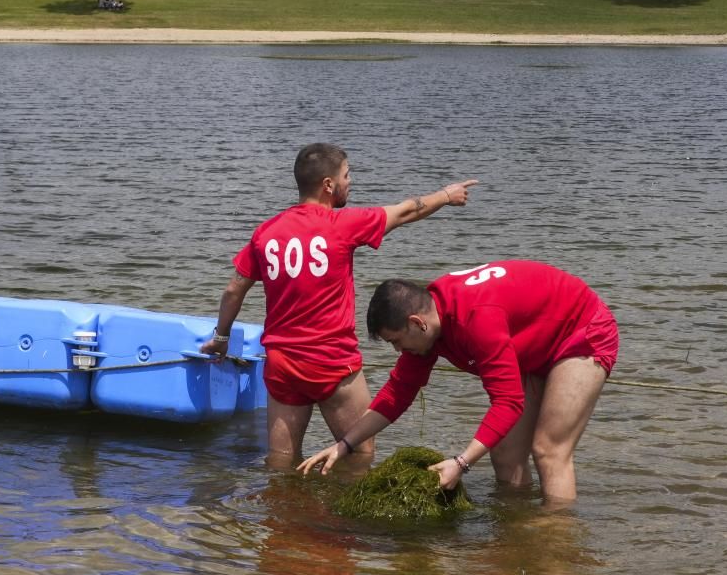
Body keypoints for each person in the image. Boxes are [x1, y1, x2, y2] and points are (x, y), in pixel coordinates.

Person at [200, 142, 477, 469]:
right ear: (328, 185)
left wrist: (221, 339)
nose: (350, 182)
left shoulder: (266, 234)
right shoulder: (343, 224)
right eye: (346, 175)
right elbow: (407, 210)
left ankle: (281, 516)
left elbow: (234, 290)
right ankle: (343, 518)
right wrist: (446, 195)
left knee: (281, 463)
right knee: (359, 456)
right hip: (332, 362)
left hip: (283, 364)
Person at [296, 260, 618, 504]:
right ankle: (518, 533)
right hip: (533, 345)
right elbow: (398, 393)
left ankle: (555, 541)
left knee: (549, 449)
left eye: (396, 341)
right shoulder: (429, 323)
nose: (398, 351)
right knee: (504, 454)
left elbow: (508, 402)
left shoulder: (476, 321)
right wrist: (344, 444)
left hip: (581, 331)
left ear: (415, 322)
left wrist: (461, 463)